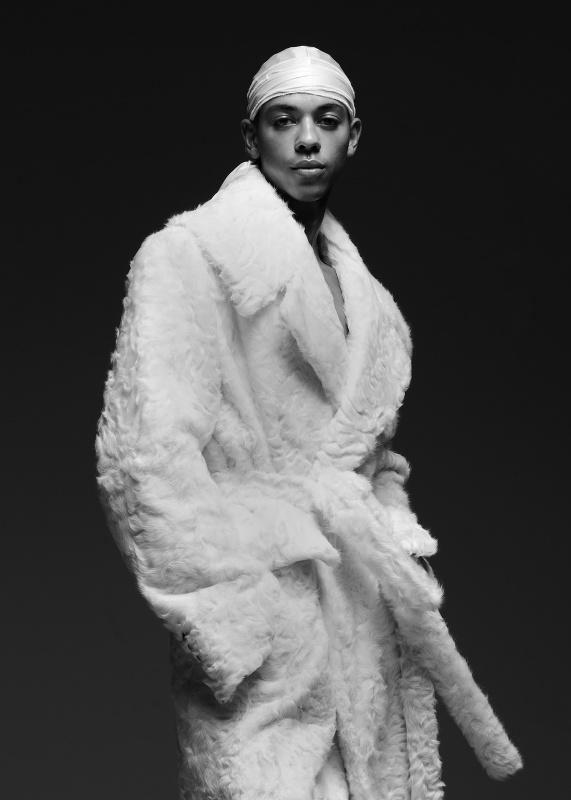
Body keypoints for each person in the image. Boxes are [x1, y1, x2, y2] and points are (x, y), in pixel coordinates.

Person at [96, 46, 521, 800]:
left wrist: (394, 529)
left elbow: (374, 459)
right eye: (282, 121)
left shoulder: (372, 304)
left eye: (326, 121)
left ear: (353, 137)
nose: (305, 141)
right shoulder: (190, 255)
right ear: (249, 135)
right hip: (270, 626)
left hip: (362, 623)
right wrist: (239, 625)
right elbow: (142, 459)